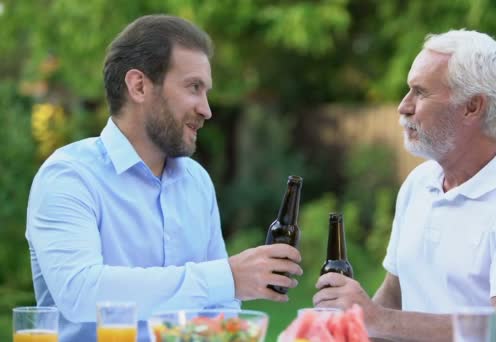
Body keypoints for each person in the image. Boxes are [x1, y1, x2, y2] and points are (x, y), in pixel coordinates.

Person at [26, 15, 302, 341]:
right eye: (193, 88)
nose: (207, 110)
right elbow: (82, 294)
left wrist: (228, 294)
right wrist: (224, 276)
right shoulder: (70, 176)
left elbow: (222, 307)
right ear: (139, 86)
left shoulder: (196, 181)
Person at [313, 29, 496, 341]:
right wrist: (350, 330)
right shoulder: (419, 184)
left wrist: (377, 319)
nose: (403, 106)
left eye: (420, 93)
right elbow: (394, 296)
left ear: (472, 107)